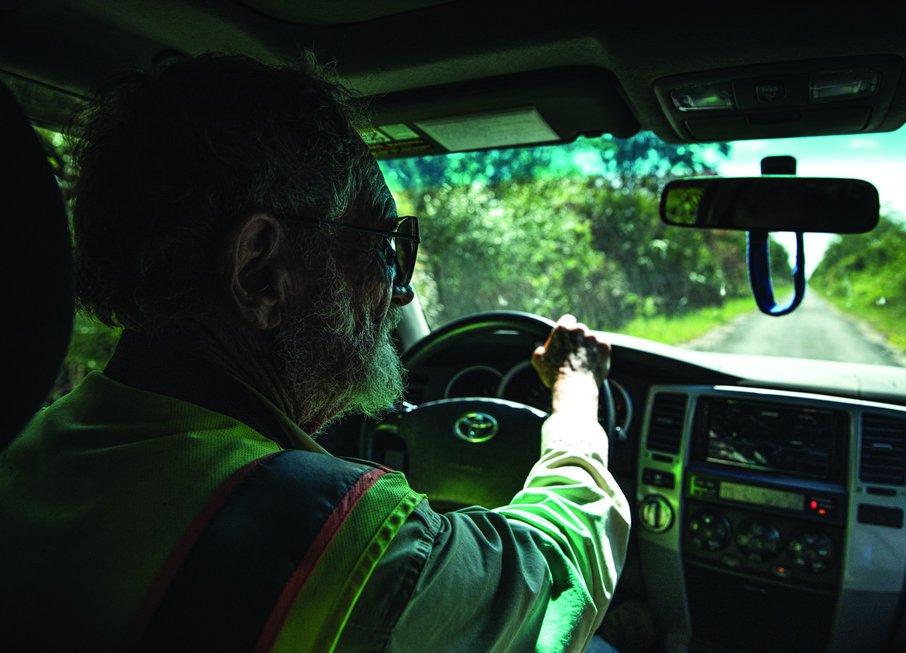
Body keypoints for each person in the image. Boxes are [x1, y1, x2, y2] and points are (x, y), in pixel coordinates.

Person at [0, 54, 630, 652]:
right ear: (261, 273)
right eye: (385, 247)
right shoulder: (326, 529)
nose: (399, 289)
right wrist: (576, 392)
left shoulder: (30, 452)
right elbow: (551, 573)